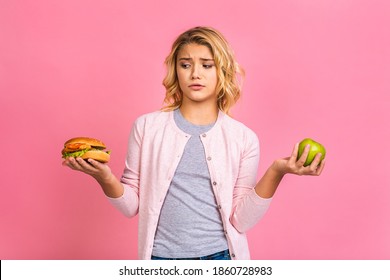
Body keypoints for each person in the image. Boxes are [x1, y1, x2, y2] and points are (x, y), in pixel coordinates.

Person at [62, 26, 325, 260]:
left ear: (222, 71)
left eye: (206, 65)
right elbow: (131, 206)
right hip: (160, 260)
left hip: (221, 259)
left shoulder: (243, 138)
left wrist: (277, 171)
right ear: (175, 70)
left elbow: (241, 220)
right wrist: (103, 176)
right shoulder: (147, 127)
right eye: (185, 64)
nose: (195, 73)